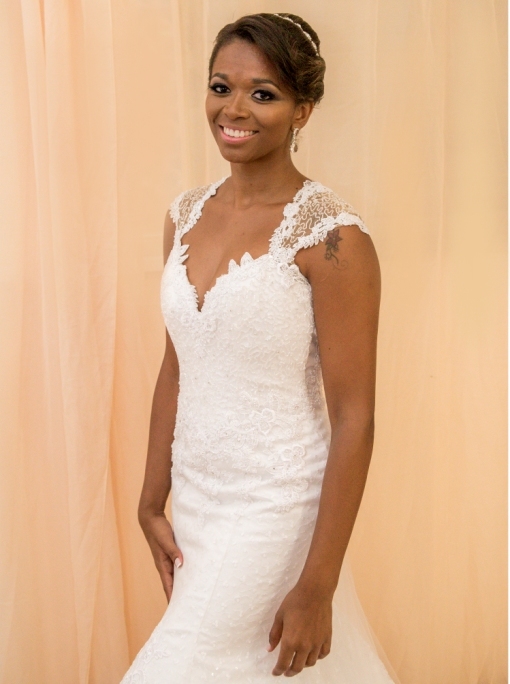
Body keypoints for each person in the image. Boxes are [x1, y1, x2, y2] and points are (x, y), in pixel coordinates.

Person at [123, 13, 394, 682]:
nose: (234, 109)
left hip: (277, 505)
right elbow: (177, 364)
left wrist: (318, 583)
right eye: (222, 87)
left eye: (263, 93)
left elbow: (355, 416)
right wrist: (151, 497)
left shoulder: (333, 239)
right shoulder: (184, 214)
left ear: (303, 109)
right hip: (195, 499)